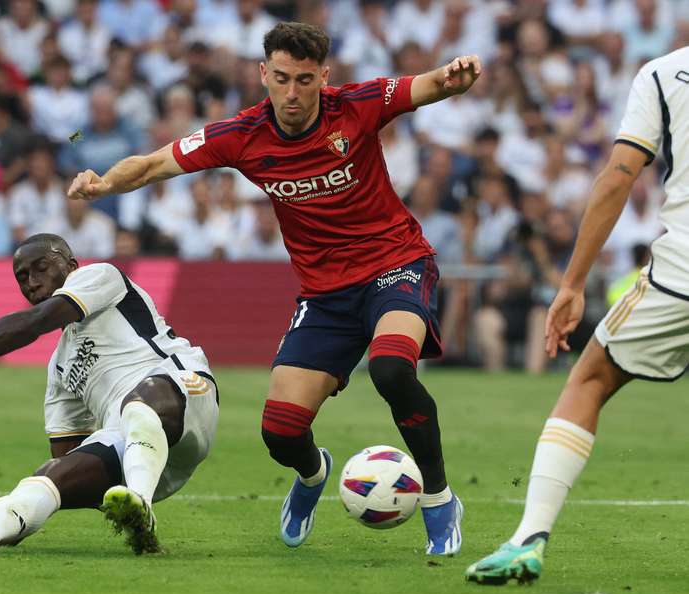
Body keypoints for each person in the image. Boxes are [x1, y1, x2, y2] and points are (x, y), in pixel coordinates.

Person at [67, 22, 481, 555]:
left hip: (395, 264)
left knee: (391, 367)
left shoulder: (356, 105)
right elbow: (153, 163)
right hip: (325, 295)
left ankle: (441, 498)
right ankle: (313, 475)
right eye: (281, 78)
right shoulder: (242, 134)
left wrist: (455, 78)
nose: (292, 93)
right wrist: (103, 182)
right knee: (281, 433)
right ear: (264, 74)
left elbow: (427, 85)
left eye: (305, 80)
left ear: (323, 77)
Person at [466, 45, 689, 584]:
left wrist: (571, 283)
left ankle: (528, 539)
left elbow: (618, 177)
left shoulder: (663, 74)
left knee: (587, 378)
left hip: (682, 275)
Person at [0, 233, 218, 555]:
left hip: (182, 391)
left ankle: (141, 507)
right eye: (22, 277)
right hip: (144, 455)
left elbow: (33, 323)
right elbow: (67, 452)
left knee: (139, 403)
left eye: (41, 268)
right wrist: (60, 484)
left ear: (71, 265)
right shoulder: (60, 368)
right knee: (49, 474)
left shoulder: (101, 276)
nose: (32, 281)